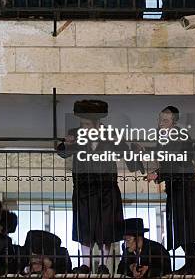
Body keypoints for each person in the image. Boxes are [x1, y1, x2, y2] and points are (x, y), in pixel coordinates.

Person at [56, 100, 143, 274]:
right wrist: (67, 143)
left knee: (106, 228)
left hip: (106, 188)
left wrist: (135, 153)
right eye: (82, 124)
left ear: (97, 123)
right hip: (83, 188)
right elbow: (62, 152)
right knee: (84, 227)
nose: (84, 127)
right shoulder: (75, 134)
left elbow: (126, 155)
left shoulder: (111, 135)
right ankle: (86, 264)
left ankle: (103, 264)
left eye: (87, 124)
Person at [146, 106, 195, 274]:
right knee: (180, 225)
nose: (160, 123)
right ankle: (194, 264)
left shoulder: (179, 135)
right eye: (160, 119)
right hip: (177, 185)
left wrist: (157, 174)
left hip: (185, 185)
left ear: (174, 122)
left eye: (165, 120)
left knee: (184, 224)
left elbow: (174, 159)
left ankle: (193, 264)